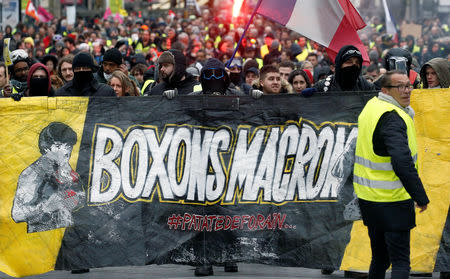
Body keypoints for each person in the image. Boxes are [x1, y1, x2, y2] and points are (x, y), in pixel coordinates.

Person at [354, 70, 429, 279]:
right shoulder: (392, 117)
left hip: (369, 199)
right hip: (392, 201)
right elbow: (402, 162)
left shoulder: (373, 106)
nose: (407, 91)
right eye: (400, 87)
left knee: (379, 258)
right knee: (400, 262)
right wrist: (420, 196)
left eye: (409, 85)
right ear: (385, 90)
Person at [11, 122, 85, 233]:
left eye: (68, 146)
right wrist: (46, 207)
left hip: (64, 236)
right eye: (58, 146)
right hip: (41, 239)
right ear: (46, 148)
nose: (66, 152)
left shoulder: (64, 168)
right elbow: (17, 214)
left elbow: (79, 199)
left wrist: (76, 198)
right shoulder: (33, 173)